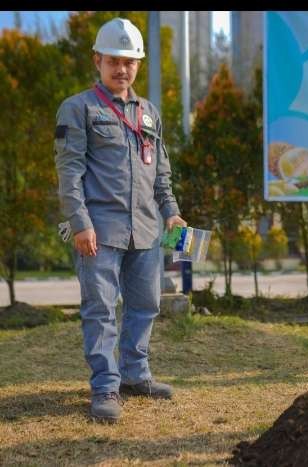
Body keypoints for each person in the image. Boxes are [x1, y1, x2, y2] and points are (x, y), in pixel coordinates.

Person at [54, 17, 186, 423]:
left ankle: (136, 375)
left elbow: (160, 172)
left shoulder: (149, 113)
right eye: (114, 60)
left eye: (130, 61)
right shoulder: (78, 109)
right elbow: (69, 171)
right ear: (97, 60)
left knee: (145, 306)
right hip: (100, 231)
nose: (122, 69)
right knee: (101, 311)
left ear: (138, 65)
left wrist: (172, 212)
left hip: (146, 231)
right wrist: (79, 223)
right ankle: (105, 387)